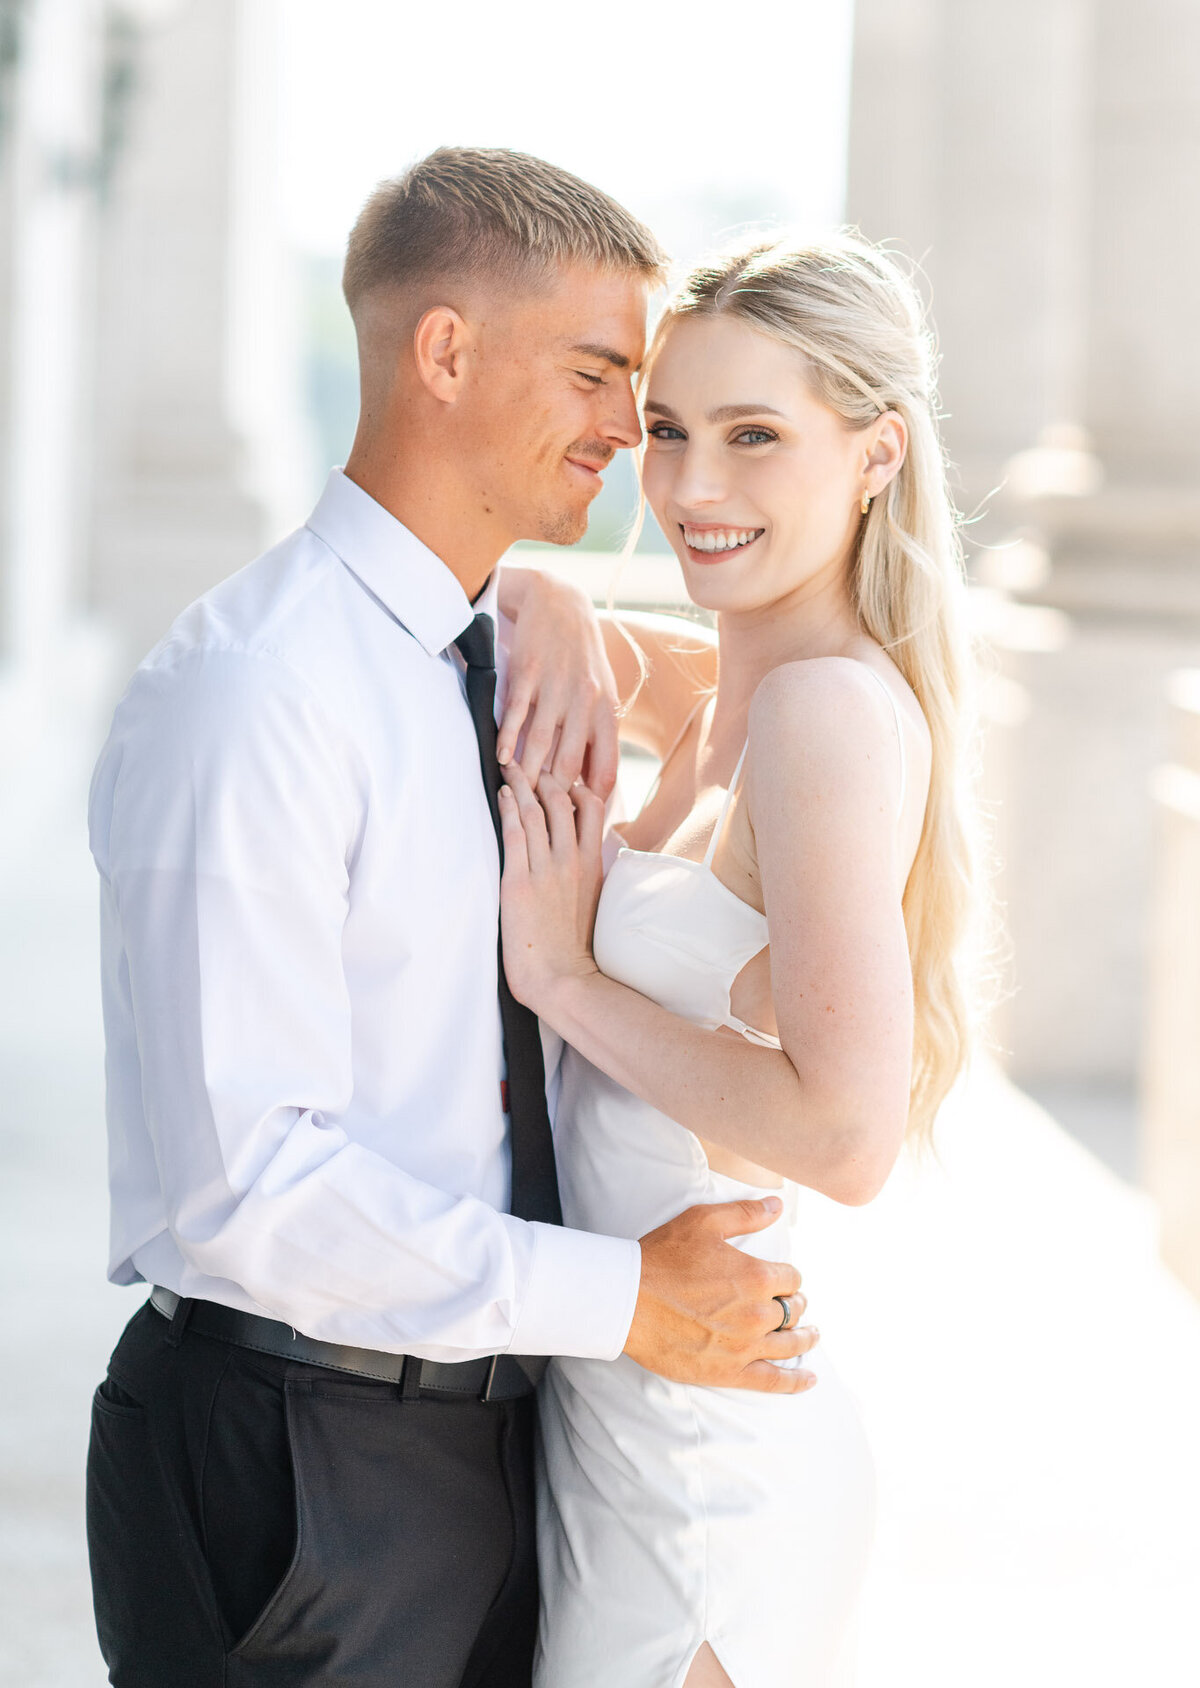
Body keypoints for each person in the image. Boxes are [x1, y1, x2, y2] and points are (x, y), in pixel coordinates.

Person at [84, 151, 818, 1688]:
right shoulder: (258, 693)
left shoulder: (488, 650)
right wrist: (631, 1303)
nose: (632, 428)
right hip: (299, 1457)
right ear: (444, 354)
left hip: (492, 1431)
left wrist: (561, 604)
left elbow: (800, 671)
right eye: (597, 369)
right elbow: (248, 1189)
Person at [496, 231, 979, 1688]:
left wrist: (566, 981)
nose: (694, 488)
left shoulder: (819, 714)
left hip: (710, 1471)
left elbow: (845, 1136)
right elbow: (513, 610)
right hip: (629, 1417)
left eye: (755, 437)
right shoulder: (738, 679)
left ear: (876, 455)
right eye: (667, 431)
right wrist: (559, 597)